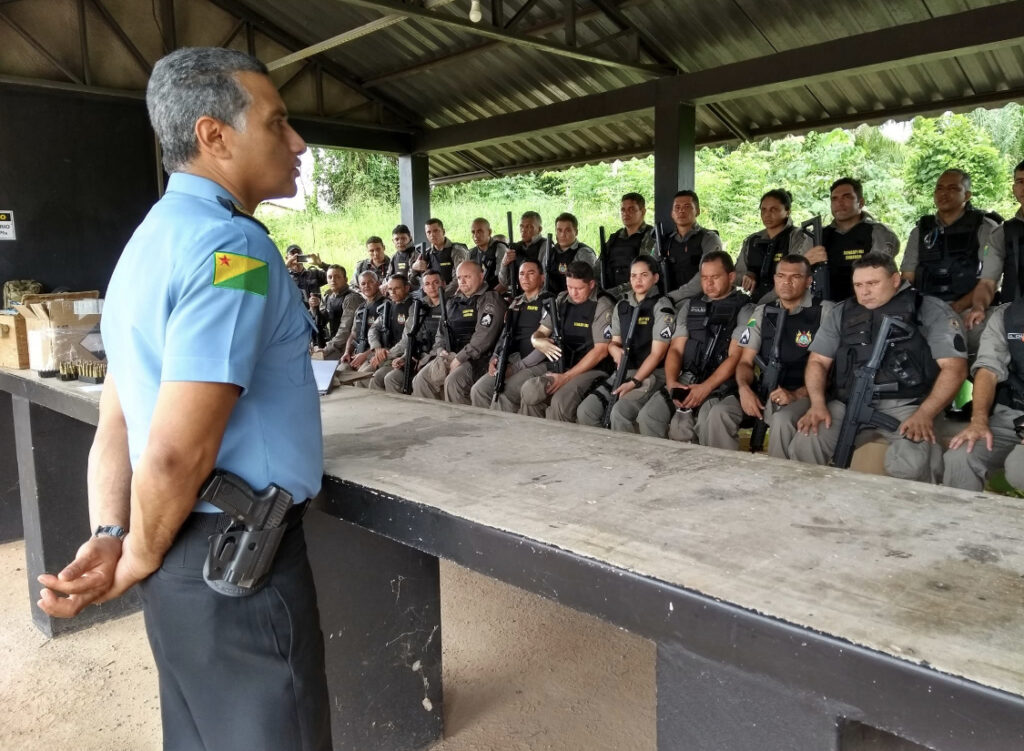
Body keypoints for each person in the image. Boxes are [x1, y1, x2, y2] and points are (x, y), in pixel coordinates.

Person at [35, 47, 330, 750]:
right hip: (238, 571)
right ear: (214, 135)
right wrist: (134, 551)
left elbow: (118, 415)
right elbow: (172, 451)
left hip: (177, 557)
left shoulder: (145, 246)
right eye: (278, 122)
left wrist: (115, 535)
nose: (297, 142)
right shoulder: (236, 252)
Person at [790, 253, 968, 481]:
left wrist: (926, 413)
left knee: (912, 462)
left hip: (908, 404)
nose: (864, 291)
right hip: (848, 401)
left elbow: (954, 369)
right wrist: (816, 404)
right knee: (807, 441)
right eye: (858, 285)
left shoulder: (929, 309)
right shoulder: (841, 312)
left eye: (873, 283)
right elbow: (817, 362)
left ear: (895, 280)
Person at [636, 250, 753, 445]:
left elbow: (735, 357)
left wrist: (705, 388)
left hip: (723, 382)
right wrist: (673, 382)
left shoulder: (745, 308)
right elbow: (676, 349)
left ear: (731, 277)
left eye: (715, 277)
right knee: (649, 415)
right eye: (705, 278)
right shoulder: (690, 306)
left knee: (706, 421)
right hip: (688, 377)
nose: (708, 283)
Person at [734, 255, 832, 458]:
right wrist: (744, 388)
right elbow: (745, 361)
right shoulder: (762, 312)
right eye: (781, 276)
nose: (786, 282)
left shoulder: (825, 311)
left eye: (795, 276)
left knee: (782, 420)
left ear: (808, 281)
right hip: (769, 389)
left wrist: (797, 394)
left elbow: (833, 372)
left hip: (809, 392)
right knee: (719, 412)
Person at [901, 169, 1000, 354]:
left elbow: (989, 280)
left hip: (969, 308)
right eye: (939, 188)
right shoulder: (920, 231)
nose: (944, 193)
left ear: (967, 195)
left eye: (953, 188)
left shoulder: (985, 227)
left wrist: (958, 307)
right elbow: (907, 277)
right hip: (926, 309)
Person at [576, 255, 675, 431]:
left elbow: (657, 354)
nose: (638, 280)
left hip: (651, 374)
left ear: (655, 278)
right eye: (633, 275)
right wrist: (614, 350)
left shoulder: (661, 306)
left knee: (619, 412)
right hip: (624, 371)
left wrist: (634, 382)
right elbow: (614, 343)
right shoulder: (622, 306)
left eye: (644, 275)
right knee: (586, 411)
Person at [942, 297, 1024, 492]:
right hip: (1012, 415)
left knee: (1019, 469)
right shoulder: (1008, 315)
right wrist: (978, 420)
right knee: (961, 456)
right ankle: (960, 522)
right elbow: (988, 370)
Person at [520, 261, 614, 421]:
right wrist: (537, 341)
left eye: (578, 288)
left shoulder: (602, 304)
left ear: (591, 284)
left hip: (592, 368)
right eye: (569, 287)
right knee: (531, 395)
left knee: (560, 402)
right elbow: (541, 332)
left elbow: (600, 351)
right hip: (562, 363)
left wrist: (566, 377)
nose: (573, 293)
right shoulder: (562, 300)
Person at [411, 260, 506, 403]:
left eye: (467, 277)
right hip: (451, 354)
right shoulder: (452, 302)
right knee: (421, 379)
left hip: (478, 359)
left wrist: (460, 358)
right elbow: (441, 333)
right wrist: (440, 350)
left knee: (454, 382)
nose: (462, 281)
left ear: (481, 276)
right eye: (460, 277)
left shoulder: (490, 299)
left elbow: (484, 337)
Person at [470, 259, 551, 411]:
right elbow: (504, 334)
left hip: (537, 362)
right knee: (479, 390)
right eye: (521, 274)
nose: (525, 278)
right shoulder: (517, 302)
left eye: (531, 273)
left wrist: (516, 368)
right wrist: (495, 356)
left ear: (542, 277)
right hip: (513, 357)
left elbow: (545, 346)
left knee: (504, 394)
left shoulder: (548, 302)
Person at [803, 177, 900, 301]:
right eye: (834, 199)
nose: (839, 203)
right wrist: (806, 262)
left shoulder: (878, 233)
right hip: (824, 304)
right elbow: (791, 273)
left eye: (847, 197)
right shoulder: (817, 236)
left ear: (861, 202)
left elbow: (880, 276)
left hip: (868, 304)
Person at [735, 189, 813, 304]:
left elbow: (795, 273)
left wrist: (761, 305)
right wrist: (749, 274)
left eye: (774, 210)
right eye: (763, 210)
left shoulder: (798, 237)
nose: (767, 214)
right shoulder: (753, 240)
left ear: (787, 211)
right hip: (756, 302)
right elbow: (736, 276)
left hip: (787, 303)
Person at [378, 270, 445, 393]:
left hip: (438, 356)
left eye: (436, 282)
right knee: (391, 378)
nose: (432, 287)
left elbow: (443, 342)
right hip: (418, 355)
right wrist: (405, 357)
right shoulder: (417, 307)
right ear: (423, 288)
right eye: (428, 284)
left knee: (419, 381)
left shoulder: (450, 306)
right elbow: (410, 337)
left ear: (444, 284)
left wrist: (423, 360)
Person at [971, 160, 1024, 313]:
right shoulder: (1003, 233)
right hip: (1015, 319)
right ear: (1014, 189)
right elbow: (987, 283)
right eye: (1020, 181)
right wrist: (979, 307)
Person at [658, 190, 723, 300]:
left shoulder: (709, 238)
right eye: (677, 207)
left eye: (687, 207)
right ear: (672, 213)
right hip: (666, 299)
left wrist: (673, 296)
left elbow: (706, 276)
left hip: (701, 299)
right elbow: (648, 271)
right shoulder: (663, 242)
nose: (681, 211)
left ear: (697, 211)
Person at [599, 193, 657, 296]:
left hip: (638, 294)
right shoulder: (615, 238)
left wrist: (612, 293)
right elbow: (598, 267)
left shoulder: (650, 236)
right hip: (610, 292)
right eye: (623, 210)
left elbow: (645, 275)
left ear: (643, 212)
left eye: (631, 209)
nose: (626, 213)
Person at [363, 274, 414, 389]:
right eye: (390, 289)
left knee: (376, 377)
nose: (393, 292)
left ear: (406, 288)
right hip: (386, 353)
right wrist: (377, 348)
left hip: (402, 355)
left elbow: (406, 340)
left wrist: (386, 354)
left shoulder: (412, 307)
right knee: (362, 376)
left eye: (397, 288)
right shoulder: (389, 306)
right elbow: (373, 329)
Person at [337, 270, 386, 378]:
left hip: (373, 354)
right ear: (359, 286)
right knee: (339, 373)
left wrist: (365, 355)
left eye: (370, 282)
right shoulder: (360, 308)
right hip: (357, 353)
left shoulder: (385, 306)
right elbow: (353, 334)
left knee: (361, 377)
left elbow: (385, 340)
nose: (367, 286)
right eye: (363, 284)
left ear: (378, 283)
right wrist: (346, 352)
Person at [543, 212, 598, 294]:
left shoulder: (584, 253)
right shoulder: (549, 253)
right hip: (550, 300)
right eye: (559, 230)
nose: (562, 235)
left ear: (576, 232)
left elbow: (591, 284)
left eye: (567, 231)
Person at [317, 264, 362, 359]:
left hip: (349, 345)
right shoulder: (328, 296)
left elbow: (345, 329)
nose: (333, 280)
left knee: (322, 362)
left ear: (345, 279)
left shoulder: (351, 298)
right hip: (334, 341)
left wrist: (328, 348)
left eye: (337, 277)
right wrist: (314, 308)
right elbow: (321, 321)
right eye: (330, 277)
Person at [411, 217, 469, 287]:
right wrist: (414, 268)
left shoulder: (457, 251)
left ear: (443, 231)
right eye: (429, 232)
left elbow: (458, 281)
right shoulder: (426, 254)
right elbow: (413, 282)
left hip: (453, 295)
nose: (432, 235)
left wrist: (441, 295)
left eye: (435, 231)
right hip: (433, 295)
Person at [498, 211, 547, 294]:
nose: (523, 230)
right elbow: (504, 282)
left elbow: (544, 279)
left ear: (539, 229)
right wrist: (504, 264)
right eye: (522, 226)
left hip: (539, 295)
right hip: (520, 295)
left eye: (529, 227)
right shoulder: (516, 247)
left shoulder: (545, 246)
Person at [468, 217, 506, 291]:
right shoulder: (471, 253)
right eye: (473, 232)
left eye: (479, 231)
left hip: (495, 293)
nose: (476, 235)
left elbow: (502, 282)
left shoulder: (499, 249)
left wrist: (489, 296)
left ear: (489, 232)